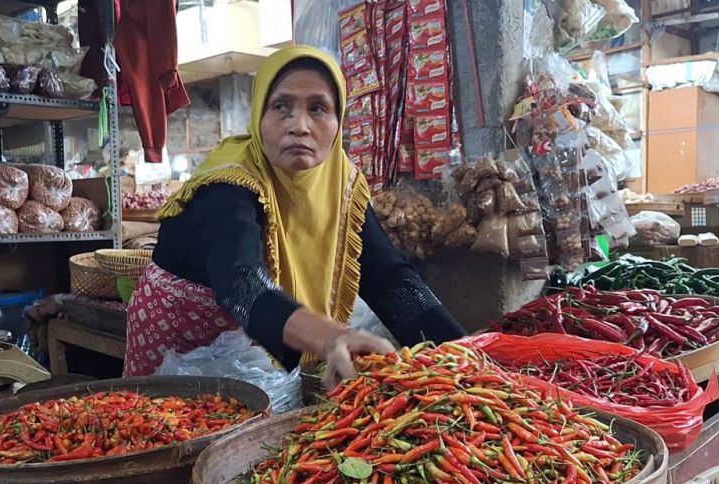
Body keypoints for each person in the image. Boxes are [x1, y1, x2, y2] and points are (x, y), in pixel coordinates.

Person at [123, 45, 464, 387]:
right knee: (175, 428)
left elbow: (388, 279)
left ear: (338, 120)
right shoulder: (227, 184)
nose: (299, 125)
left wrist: (464, 353)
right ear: (259, 115)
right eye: (281, 106)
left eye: (318, 108)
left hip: (250, 334)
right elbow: (241, 280)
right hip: (180, 341)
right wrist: (330, 337)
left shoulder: (341, 185)